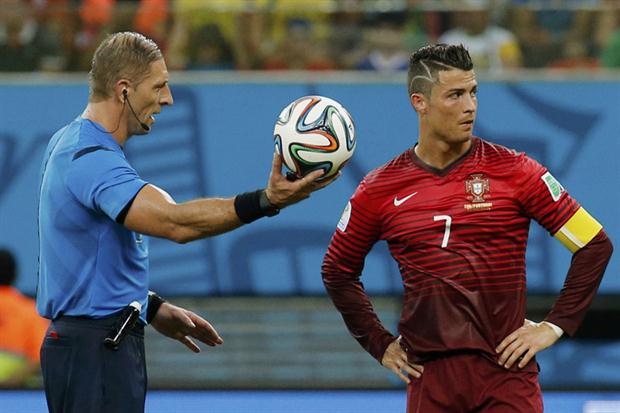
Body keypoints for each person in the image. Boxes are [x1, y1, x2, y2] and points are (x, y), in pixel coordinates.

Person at [37, 31, 335, 413]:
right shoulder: (91, 158)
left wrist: (148, 307)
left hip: (95, 342)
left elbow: (84, 258)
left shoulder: (71, 142)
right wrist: (267, 201)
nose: (168, 98)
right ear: (124, 90)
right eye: (158, 86)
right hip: (94, 349)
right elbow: (176, 224)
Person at [322, 44, 613, 412]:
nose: (470, 106)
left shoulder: (516, 172)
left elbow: (594, 244)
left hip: (507, 375)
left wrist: (554, 326)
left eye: (473, 92)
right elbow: (337, 271)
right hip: (430, 379)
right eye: (455, 95)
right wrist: (379, 343)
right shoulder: (379, 189)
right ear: (420, 102)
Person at [0, 249, 48, 387]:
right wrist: (10, 384)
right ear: (15, 274)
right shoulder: (30, 311)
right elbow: (39, 358)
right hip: (18, 393)